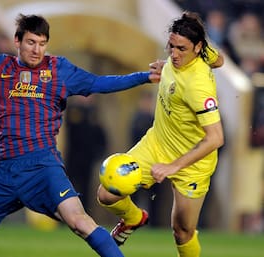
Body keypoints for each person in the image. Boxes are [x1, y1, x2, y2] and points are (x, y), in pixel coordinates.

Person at [0, 14, 161, 257]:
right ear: (17, 41)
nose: (37, 50)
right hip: (5, 173)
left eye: (42, 43)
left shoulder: (59, 70)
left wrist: (143, 77)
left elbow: (99, 83)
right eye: (31, 42)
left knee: (80, 222)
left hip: (43, 167)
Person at [97, 11, 224, 257]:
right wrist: (168, 67)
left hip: (192, 165)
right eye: (171, 47)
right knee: (107, 193)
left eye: (182, 49)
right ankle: (134, 218)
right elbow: (219, 61)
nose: (175, 54)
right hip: (156, 144)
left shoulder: (198, 87)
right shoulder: (197, 54)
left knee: (182, 231)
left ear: (197, 47)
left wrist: (173, 166)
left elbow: (216, 138)